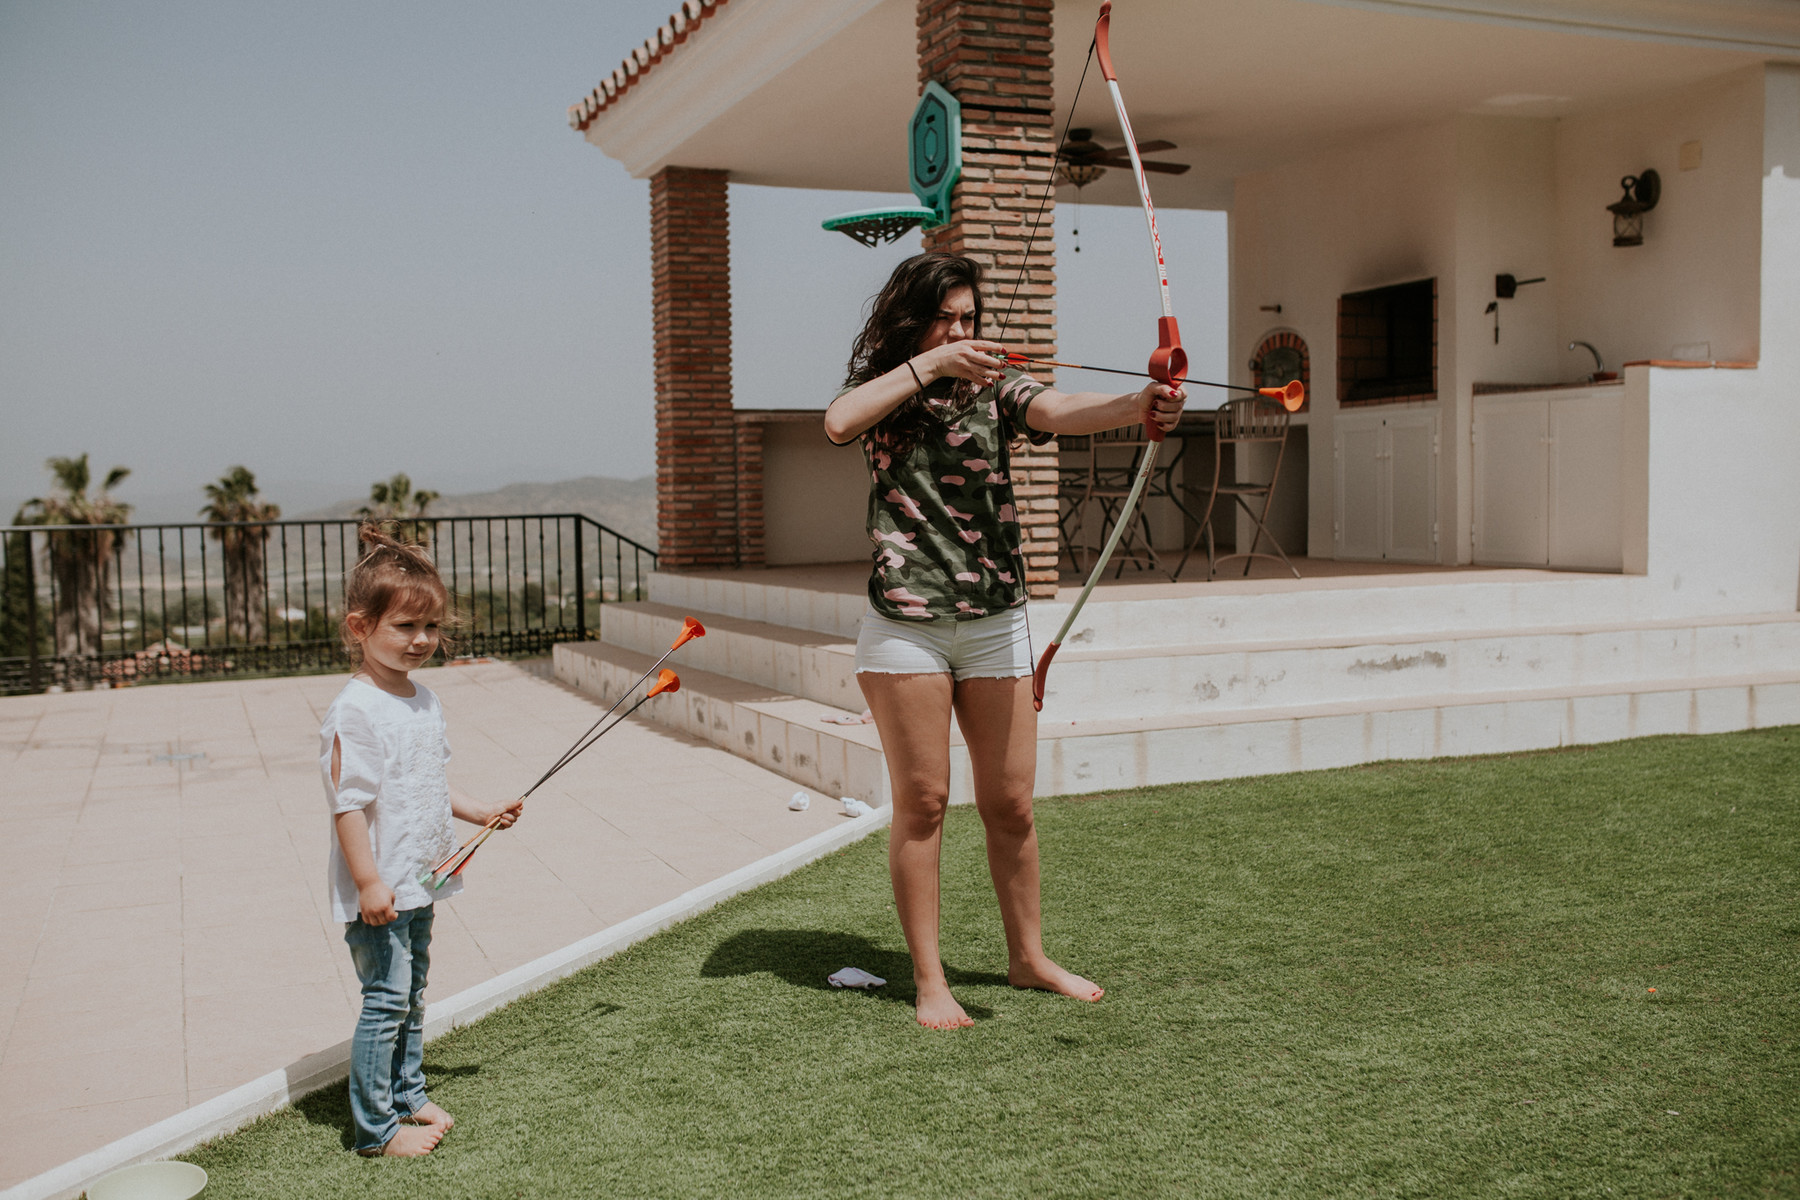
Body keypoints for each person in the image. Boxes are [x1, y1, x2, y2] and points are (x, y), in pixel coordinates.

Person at [824, 252, 1186, 1029]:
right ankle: (930, 981)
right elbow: (837, 420)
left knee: (1012, 803)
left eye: (969, 318)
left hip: (995, 620)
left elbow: (1057, 409)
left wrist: (1141, 403)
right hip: (905, 628)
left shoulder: (995, 388)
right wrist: (930, 364)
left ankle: (1028, 958)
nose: (963, 330)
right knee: (924, 802)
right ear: (914, 320)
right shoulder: (888, 391)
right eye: (947, 317)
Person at [320, 525, 523, 1155]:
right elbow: (347, 805)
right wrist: (368, 882)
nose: (423, 641)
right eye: (405, 628)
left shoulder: (424, 700)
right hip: (383, 888)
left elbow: (430, 783)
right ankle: (374, 1132)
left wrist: (481, 810)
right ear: (360, 627)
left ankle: (407, 1094)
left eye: (431, 628)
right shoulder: (355, 710)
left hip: (421, 877)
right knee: (385, 1001)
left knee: (412, 992)